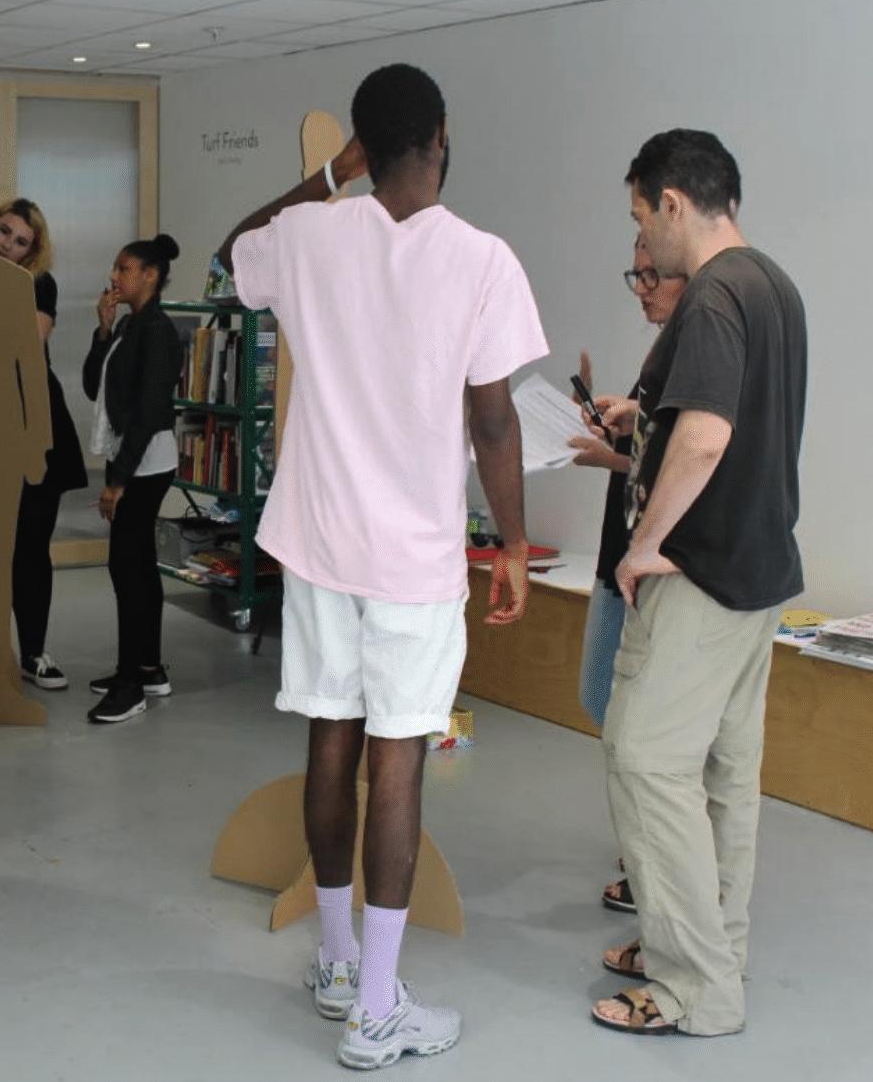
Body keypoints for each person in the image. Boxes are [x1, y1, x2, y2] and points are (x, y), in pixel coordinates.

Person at [219, 63, 546, 1070]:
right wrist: (512, 543)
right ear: (440, 135)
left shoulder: (310, 235)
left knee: (332, 739)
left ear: (363, 145)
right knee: (396, 757)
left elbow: (232, 250)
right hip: (412, 555)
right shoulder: (482, 260)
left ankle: (334, 962)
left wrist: (329, 176)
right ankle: (375, 1009)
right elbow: (493, 421)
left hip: (320, 541)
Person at [590, 129, 807, 1035]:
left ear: (672, 203)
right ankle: (713, 950)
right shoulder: (771, 284)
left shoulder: (713, 293)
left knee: (645, 760)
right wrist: (643, 421)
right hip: (757, 574)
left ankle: (693, 987)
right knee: (723, 777)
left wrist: (642, 545)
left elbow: (709, 436)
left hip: (701, 575)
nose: (642, 238)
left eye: (642, 216)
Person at [567, 239, 686, 916]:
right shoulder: (662, 353)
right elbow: (652, 446)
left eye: (650, 275)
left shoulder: (696, 350)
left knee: (635, 725)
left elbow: (682, 461)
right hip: (622, 553)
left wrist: (608, 457)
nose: (640, 288)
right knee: (601, 700)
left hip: (652, 565)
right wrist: (612, 430)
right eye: (634, 275)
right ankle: (646, 849)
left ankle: (654, 859)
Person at [0, 198, 89, 691]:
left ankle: (33, 653)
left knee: (30, 544)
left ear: (32, 252)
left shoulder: (38, 284)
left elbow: (22, 347)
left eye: (21, 241)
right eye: (4, 231)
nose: (8, 244)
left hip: (34, 427)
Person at [80, 234, 183, 725]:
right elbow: (93, 386)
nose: (115, 275)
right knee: (136, 565)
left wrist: (117, 482)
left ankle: (131, 685)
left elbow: (147, 412)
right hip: (131, 457)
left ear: (150, 275)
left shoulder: (158, 331)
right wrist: (102, 331)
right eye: (116, 267)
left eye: (125, 268)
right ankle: (148, 668)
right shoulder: (129, 324)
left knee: (127, 567)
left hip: (146, 462)